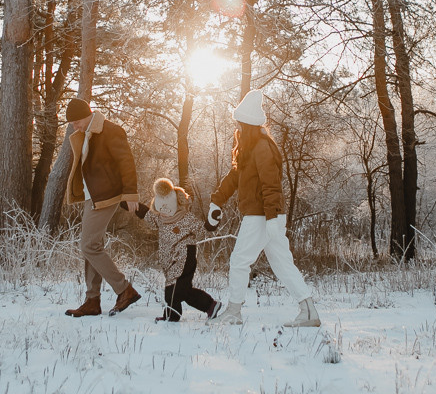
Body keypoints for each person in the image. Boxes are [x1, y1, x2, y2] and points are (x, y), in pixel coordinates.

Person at [206, 90, 320, 327]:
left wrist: (272, 218)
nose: (236, 126)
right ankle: (309, 312)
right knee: (282, 263)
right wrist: (217, 200)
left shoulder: (262, 147)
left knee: (239, 261)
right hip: (264, 215)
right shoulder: (249, 148)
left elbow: (271, 185)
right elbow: (234, 176)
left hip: (262, 215)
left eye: (239, 122)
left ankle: (234, 312)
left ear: (247, 123)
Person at [62, 97, 142, 317]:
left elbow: (126, 162)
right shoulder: (86, 133)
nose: (74, 126)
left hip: (107, 195)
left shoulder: (110, 130)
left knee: (89, 246)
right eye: (72, 123)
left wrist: (130, 193)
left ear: (88, 114)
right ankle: (92, 301)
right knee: (91, 245)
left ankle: (124, 289)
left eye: (77, 121)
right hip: (93, 196)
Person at [129, 178, 222, 322]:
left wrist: (212, 222)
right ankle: (181, 313)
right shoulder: (160, 219)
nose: (164, 213)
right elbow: (146, 214)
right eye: (160, 209)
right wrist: (128, 203)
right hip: (170, 260)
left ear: (177, 204)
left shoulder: (185, 218)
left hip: (184, 255)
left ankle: (203, 306)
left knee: (174, 290)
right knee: (180, 290)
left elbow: (202, 229)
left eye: (167, 208)